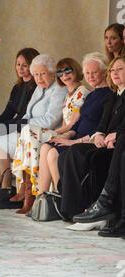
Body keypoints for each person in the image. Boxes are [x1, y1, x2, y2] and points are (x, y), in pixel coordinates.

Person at [0, 54, 67, 211]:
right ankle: (4, 190)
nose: (39, 78)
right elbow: (27, 114)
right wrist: (22, 123)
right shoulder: (39, 88)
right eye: (36, 74)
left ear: (52, 72)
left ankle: (25, 192)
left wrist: (23, 124)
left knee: (2, 142)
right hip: (29, 130)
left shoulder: (59, 89)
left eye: (42, 74)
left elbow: (50, 120)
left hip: (45, 132)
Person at [11, 57, 89, 210]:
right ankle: (33, 193)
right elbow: (67, 123)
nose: (64, 75)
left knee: (29, 131)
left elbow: (72, 124)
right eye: (61, 72)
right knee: (28, 131)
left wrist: (56, 134)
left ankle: (31, 193)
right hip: (62, 131)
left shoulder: (82, 92)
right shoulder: (68, 94)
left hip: (71, 134)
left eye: (68, 71)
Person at [56, 55, 125, 220]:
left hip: (115, 142)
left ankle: (87, 206)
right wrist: (101, 134)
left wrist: (114, 134)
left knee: (76, 151)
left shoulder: (108, 92)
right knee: (68, 152)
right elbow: (102, 123)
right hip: (104, 140)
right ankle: (71, 208)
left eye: (120, 69)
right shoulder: (114, 94)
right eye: (113, 70)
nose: (115, 73)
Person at [38, 53, 111, 194]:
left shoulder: (109, 94)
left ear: (104, 72)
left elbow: (101, 127)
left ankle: (62, 197)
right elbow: (77, 123)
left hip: (88, 139)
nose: (90, 76)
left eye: (94, 72)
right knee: (46, 147)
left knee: (53, 153)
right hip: (77, 135)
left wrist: (74, 141)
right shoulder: (91, 95)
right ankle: (43, 197)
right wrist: (67, 135)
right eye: (87, 73)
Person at [0, 47, 39, 138]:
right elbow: (8, 112)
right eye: (18, 64)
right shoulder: (17, 88)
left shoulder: (36, 89)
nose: (20, 68)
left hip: (23, 126)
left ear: (33, 67)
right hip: (13, 124)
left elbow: (23, 116)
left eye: (24, 65)